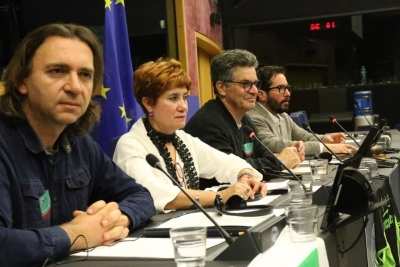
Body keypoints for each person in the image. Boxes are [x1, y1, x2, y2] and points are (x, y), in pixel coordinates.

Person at [0, 23, 155, 266]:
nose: (74, 87)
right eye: (57, 71)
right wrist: (75, 234)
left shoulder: (80, 144)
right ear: (22, 81)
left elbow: (140, 195)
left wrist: (118, 218)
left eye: (85, 75)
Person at [113, 58, 266, 213]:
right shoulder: (130, 144)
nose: (183, 106)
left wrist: (245, 177)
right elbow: (154, 193)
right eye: (173, 98)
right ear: (149, 103)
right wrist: (220, 196)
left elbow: (228, 163)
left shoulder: (182, 139)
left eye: (184, 97)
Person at [184, 49, 302, 189]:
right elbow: (230, 172)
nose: (254, 91)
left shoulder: (245, 120)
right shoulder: (208, 123)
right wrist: (280, 161)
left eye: (255, 84)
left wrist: (280, 158)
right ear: (221, 88)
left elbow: (264, 156)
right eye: (245, 84)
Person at [247, 65, 358, 157]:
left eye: (287, 88)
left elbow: (304, 137)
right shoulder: (253, 117)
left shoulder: (283, 116)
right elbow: (274, 145)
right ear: (261, 95)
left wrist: (325, 139)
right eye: (280, 88)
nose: (287, 94)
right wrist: (323, 148)